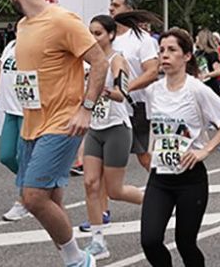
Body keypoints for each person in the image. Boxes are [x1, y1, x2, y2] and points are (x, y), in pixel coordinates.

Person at [7, 0, 107, 267]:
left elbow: (99, 63)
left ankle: (78, 259)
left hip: (63, 122)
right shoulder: (23, 25)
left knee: (33, 197)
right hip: (32, 123)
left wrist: (86, 109)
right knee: (50, 199)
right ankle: (72, 259)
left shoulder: (63, 20)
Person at [140, 28, 220, 267]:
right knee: (150, 241)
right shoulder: (152, 91)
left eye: (172, 50)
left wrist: (205, 150)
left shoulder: (196, 89)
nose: (164, 55)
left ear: (186, 56)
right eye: (161, 50)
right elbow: (153, 127)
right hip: (160, 177)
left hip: (190, 179)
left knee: (185, 243)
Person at [81, 15, 144, 259]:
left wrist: (106, 91)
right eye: (90, 33)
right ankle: (98, 242)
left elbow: (123, 93)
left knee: (115, 190)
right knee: (90, 183)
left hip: (117, 127)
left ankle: (156, 202)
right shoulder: (88, 62)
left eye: (97, 33)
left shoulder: (117, 59)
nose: (93, 37)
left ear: (110, 35)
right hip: (95, 128)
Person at [0, 37, 32, 222]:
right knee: (7, 156)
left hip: (29, 110)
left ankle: (24, 201)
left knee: (24, 158)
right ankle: (37, 186)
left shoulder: (39, 42)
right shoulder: (11, 45)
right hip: (10, 109)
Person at [109, 0, 160, 174]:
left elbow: (152, 72)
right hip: (109, 108)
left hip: (136, 106)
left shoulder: (142, 39)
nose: (111, 9)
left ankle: (165, 186)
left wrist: (123, 89)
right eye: (111, 5)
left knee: (144, 157)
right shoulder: (107, 38)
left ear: (129, 9)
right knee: (105, 159)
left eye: (116, 6)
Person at [194, 28, 220, 98]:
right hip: (200, 86)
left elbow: (218, 71)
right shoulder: (197, 53)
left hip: (211, 87)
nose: (196, 38)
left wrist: (206, 75)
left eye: (198, 36)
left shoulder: (212, 54)